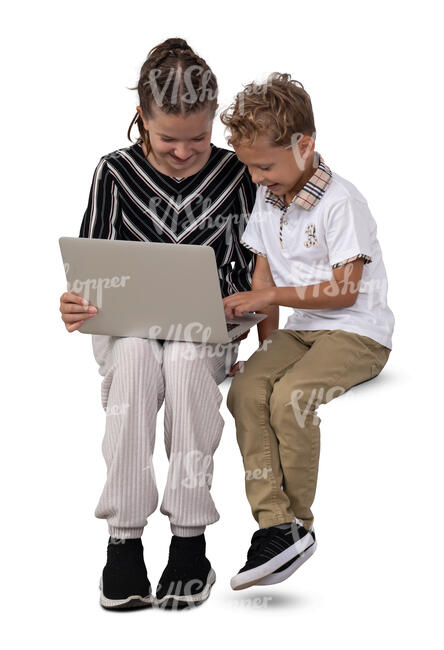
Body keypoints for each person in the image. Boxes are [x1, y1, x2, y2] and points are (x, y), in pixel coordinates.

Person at [59, 38, 256, 610]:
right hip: (129, 330)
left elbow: (255, 266)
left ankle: (189, 540)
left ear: (214, 121)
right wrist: (75, 304)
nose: (182, 151)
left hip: (210, 329)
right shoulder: (114, 173)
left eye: (197, 138)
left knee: (187, 359)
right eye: (168, 138)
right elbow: (91, 270)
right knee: (142, 361)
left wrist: (243, 306)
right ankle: (123, 543)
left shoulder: (236, 172)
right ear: (142, 118)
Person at [220, 73, 395, 590]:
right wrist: (265, 347)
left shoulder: (341, 202)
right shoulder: (268, 199)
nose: (255, 178)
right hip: (303, 329)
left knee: (291, 397)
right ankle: (274, 524)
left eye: (265, 166)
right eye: (249, 167)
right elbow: (264, 276)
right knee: (248, 390)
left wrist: (268, 299)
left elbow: (344, 289)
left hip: (358, 332)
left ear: (305, 145)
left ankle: (299, 525)